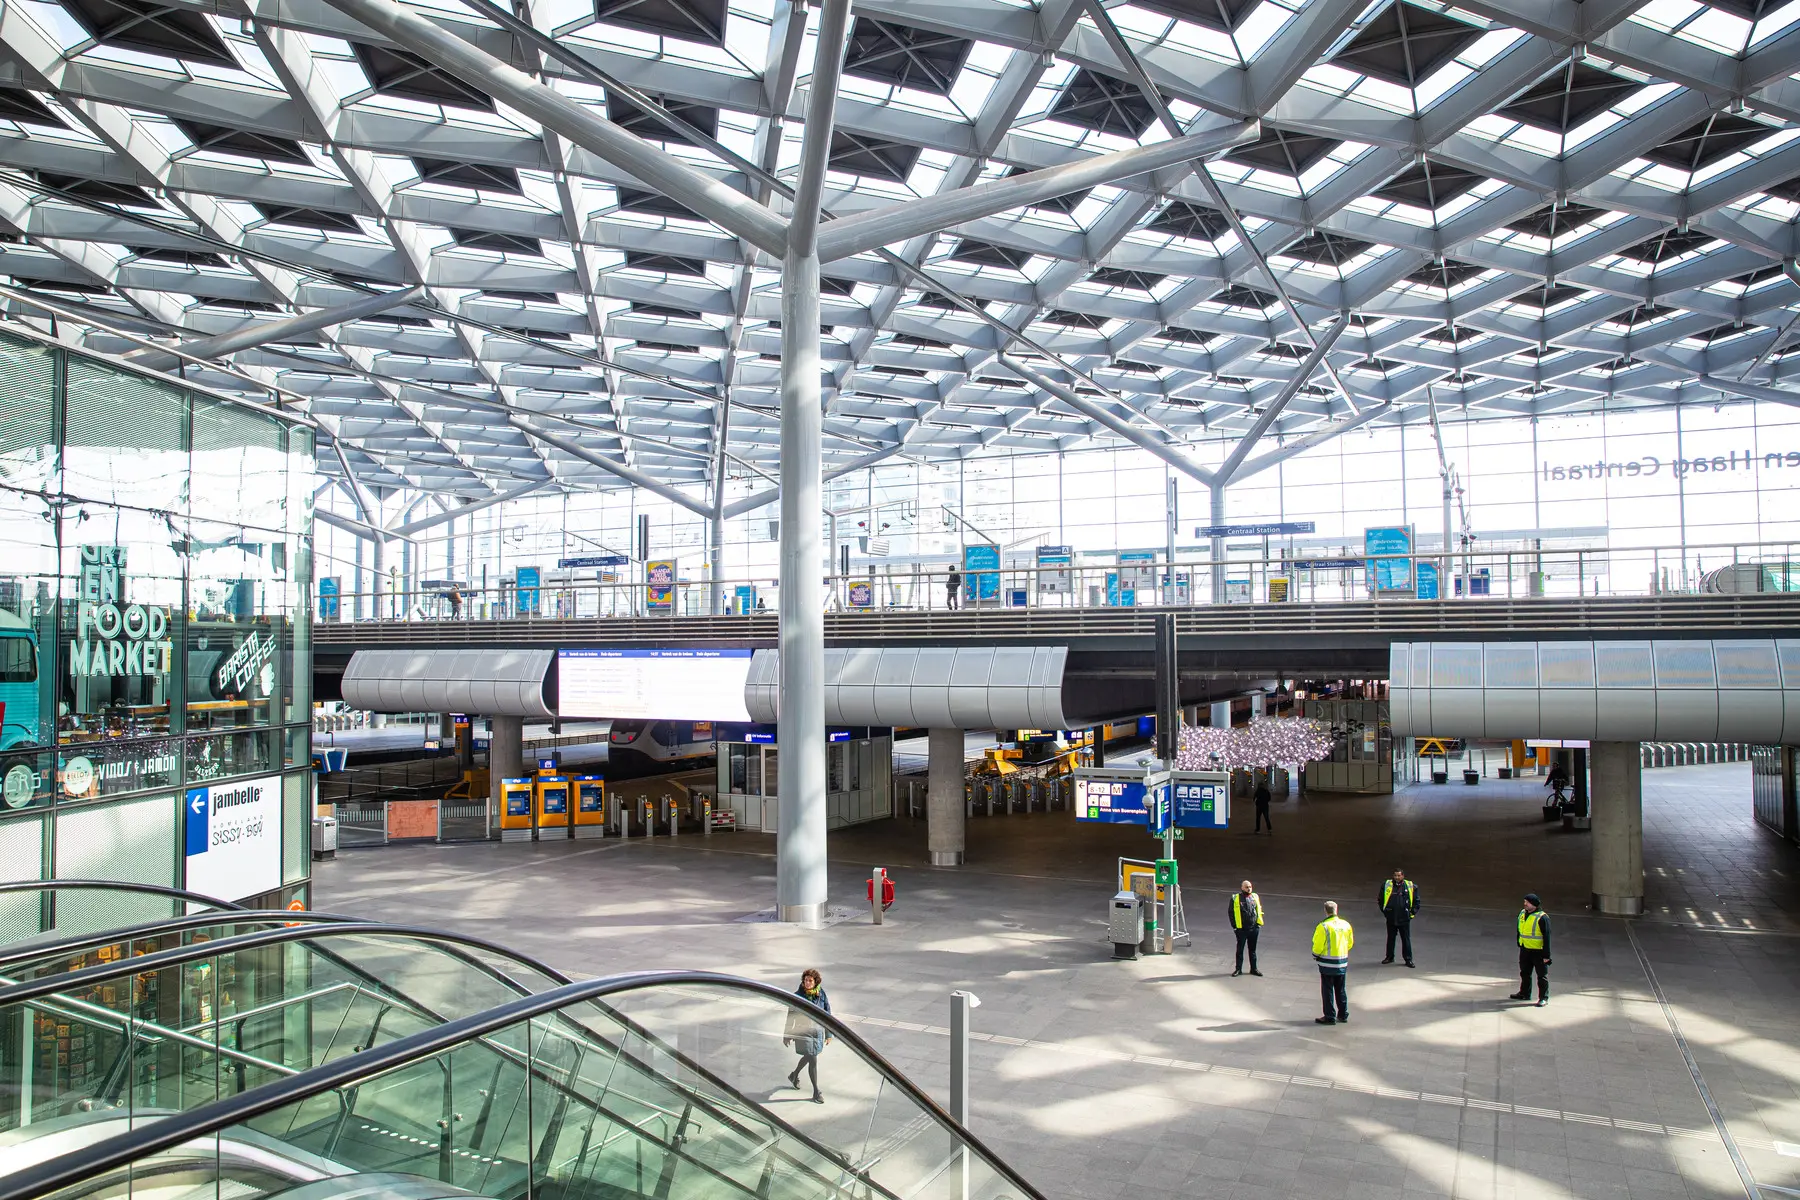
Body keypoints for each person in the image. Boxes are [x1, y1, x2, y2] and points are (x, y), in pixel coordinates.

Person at [783, 968, 832, 1102]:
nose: (807, 983)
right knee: (813, 1059)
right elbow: (791, 1016)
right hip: (803, 1032)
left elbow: (827, 1014)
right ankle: (816, 1091)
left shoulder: (821, 994)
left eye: (810, 981)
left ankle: (794, 1075)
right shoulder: (797, 996)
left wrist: (829, 1034)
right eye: (806, 980)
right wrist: (787, 1035)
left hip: (817, 1032)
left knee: (810, 1056)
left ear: (816, 982)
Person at [1311, 901, 1354, 1025]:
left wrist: (1315, 955)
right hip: (1342, 962)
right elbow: (1350, 943)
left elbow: (1318, 945)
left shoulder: (1323, 926)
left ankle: (1330, 1016)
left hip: (1327, 964)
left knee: (1327, 989)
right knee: (1341, 989)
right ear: (1337, 909)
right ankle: (1343, 1014)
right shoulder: (1346, 925)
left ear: (1325, 911)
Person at [1511, 894, 1551, 1006]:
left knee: (1541, 976)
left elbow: (1547, 937)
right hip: (1525, 949)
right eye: (1525, 901)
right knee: (1524, 973)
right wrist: (1519, 941)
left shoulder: (1542, 917)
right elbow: (1520, 928)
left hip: (1538, 951)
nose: (1525, 904)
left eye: (1527, 902)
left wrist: (1546, 956)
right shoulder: (1522, 913)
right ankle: (1524, 993)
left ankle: (1543, 998)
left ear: (1534, 904)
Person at [1379, 868, 1419, 967]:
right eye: (1395, 875)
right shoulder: (1386, 885)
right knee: (1391, 938)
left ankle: (1408, 959)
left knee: (1406, 939)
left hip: (1404, 918)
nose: (1397, 877)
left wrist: (1411, 913)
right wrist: (1386, 912)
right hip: (1391, 917)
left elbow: (1416, 901)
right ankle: (1389, 957)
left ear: (1403, 876)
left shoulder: (1410, 886)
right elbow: (1380, 900)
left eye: (1399, 875)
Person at [1229, 879, 1263, 977]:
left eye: (1250, 887)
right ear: (1242, 888)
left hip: (1254, 928)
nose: (1249, 889)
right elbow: (1231, 913)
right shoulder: (1236, 898)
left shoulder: (1254, 897)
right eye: (1246, 887)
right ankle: (1238, 969)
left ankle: (1254, 968)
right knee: (1240, 949)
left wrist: (1258, 924)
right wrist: (1235, 927)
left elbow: (1258, 909)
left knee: (1252, 950)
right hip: (1242, 929)